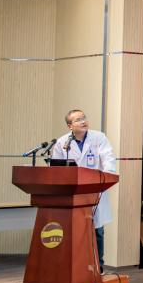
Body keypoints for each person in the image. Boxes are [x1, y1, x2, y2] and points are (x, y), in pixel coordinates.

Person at [50, 109, 116, 273]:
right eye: (78, 120)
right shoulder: (62, 143)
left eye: (84, 117)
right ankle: (74, 267)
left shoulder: (99, 137)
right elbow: (56, 168)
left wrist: (108, 175)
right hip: (73, 193)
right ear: (69, 126)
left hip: (95, 190)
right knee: (74, 230)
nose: (83, 121)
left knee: (97, 230)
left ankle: (98, 267)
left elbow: (108, 158)